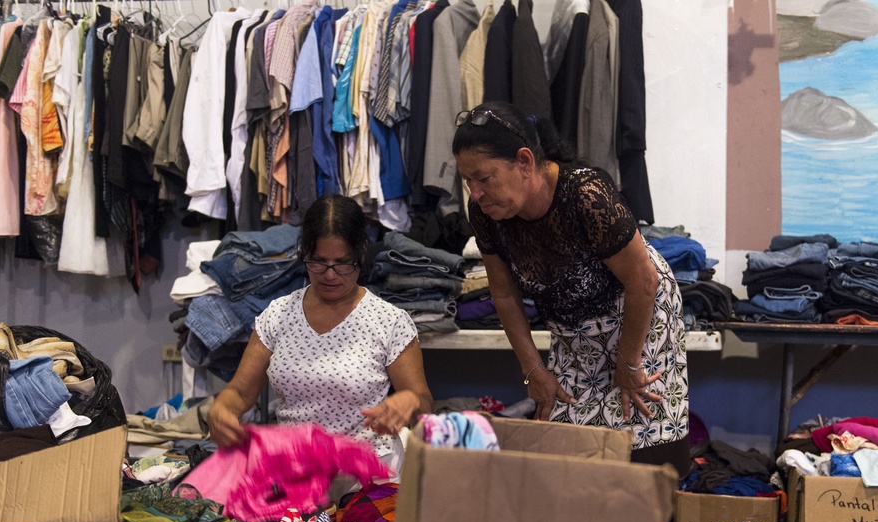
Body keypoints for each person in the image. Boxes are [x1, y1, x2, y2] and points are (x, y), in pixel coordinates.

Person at [452, 101, 690, 474]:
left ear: (525, 161)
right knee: (569, 450)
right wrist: (533, 371)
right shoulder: (486, 211)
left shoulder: (586, 194)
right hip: (573, 327)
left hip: (638, 310)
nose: (476, 192)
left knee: (642, 438)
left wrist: (628, 363)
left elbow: (643, 280)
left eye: (484, 178)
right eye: (468, 181)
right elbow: (503, 294)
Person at [206, 195, 434, 474]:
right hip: (296, 471)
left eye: (342, 263)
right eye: (318, 262)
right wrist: (222, 410)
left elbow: (424, 404)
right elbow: (240, 392)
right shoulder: (278, 315)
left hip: (368, 473)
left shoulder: (389, 321)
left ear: (361, 255)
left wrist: (410, 401)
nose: (329, 274)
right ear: (304, 254)